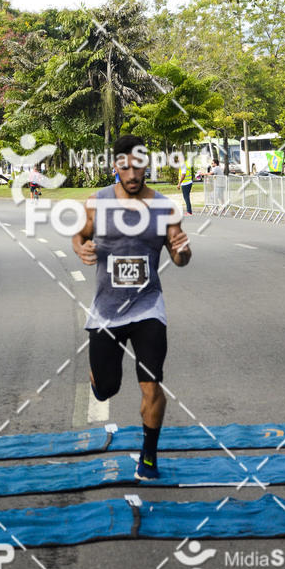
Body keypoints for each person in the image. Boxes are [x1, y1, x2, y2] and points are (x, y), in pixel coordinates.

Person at [72, 134, 191, 481]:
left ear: (146, 166)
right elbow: (79, 235)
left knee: (152, 385)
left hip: (148, 308)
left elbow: (179, 256)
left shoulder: (165, 207)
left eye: (139, 166)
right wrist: (81, 248)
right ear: (116, 168)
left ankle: (149, 457)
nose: (133, 173)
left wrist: (182, 251)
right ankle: (98, 380)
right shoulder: (97, 203)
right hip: (107, 311)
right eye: (126, 166)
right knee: (107, 387)